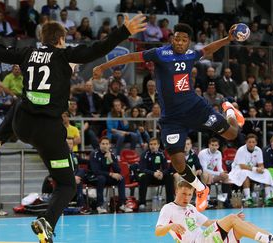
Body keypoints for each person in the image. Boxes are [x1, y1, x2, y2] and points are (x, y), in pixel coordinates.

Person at [0, 14, 146, 243]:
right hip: (48, 133)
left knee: (20, 100)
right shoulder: (64, 55)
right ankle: (47, 222)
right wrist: (124, 31)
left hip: (23, 124)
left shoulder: (27, 53)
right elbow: (98, 48)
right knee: (67, 184)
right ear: (60, 39)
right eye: (64, 39)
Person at [93, 23, 241, 212]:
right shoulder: (160, 54)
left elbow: (208, 49)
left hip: (195, 108)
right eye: (177, 38)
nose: (180, 42)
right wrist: (104, 66)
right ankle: (200, 188)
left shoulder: (191, 55)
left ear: (188, 43)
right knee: (178, 162)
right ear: (172, 39)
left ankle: (228, 109)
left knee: (232, 134)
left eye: (184, 40)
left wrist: (228, 39)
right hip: (172, 119)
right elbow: (131, 57)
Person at [155, 180, 273, 243]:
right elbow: (158, 231)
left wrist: (233, 220)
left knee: (241, 225)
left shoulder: (191, 208)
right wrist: (170, 226)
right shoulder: (168, 208)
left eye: (189, 194)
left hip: (206, 238)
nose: (186, 197)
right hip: (196, 241)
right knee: (232, 219)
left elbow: (208, 223)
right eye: (183, 194)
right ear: (176, 191)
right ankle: (271, 241)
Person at [89, 137, 133, 214]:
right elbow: (95, 171)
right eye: (103, 144)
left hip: (106, 177)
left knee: (121, 178)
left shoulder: (111, 154)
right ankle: (99, 205)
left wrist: (110, 160)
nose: (105, 146)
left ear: (109, 145)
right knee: (101, 178)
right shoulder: (94, 154)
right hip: (94, 177)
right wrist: (111, 174)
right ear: (99, 145)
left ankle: (122, 204)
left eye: (107, 144)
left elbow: (118, 170)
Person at [138, 137, 174, 210]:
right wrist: (153, 173)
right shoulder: (145, 154)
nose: (153, 146)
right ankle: (142, 203)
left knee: (169, 177)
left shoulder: (162, 153)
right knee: (143, 177)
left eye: (154, 144)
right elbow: (142, 169)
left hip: (158, 176)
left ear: (158, 145)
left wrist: (162, 173)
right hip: (149, 176)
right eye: (151, 144)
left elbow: (166, 168)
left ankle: (170, 203)